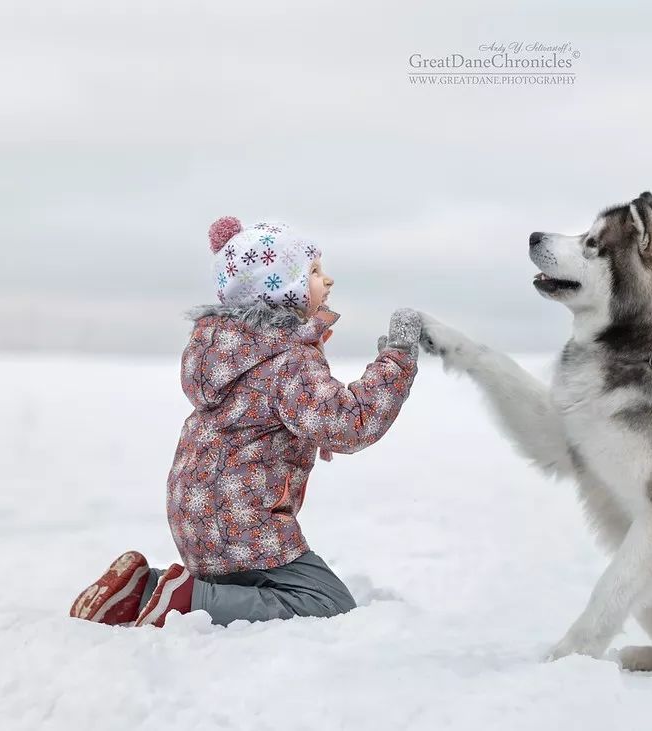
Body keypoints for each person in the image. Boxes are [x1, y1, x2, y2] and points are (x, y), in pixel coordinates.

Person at [69, 215, 420, 627]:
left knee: (252, 583)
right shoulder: (286, 359)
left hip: (198, 515)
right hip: (242, 521)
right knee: (325, 602)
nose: (327, 281)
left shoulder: (230, 350)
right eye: (313, 272)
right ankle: (189, 601)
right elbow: (347, 423)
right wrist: (398, 357)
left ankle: (143, 589)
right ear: (282, 290)